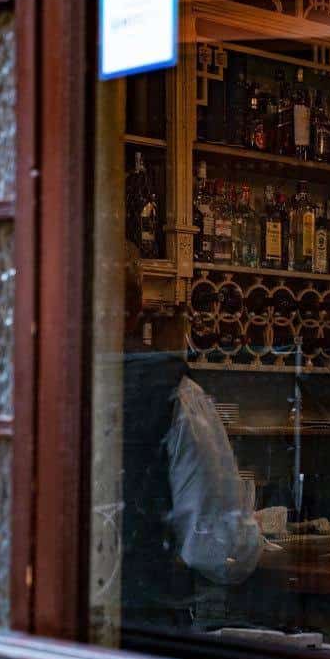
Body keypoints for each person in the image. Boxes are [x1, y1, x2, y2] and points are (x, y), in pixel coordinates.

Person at [120, 246, 266, 630]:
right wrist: (253, 536)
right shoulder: (176, 395)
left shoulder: (26, 389)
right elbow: (219, 549)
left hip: (41, 640)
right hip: (145, 639)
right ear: (137, 309)